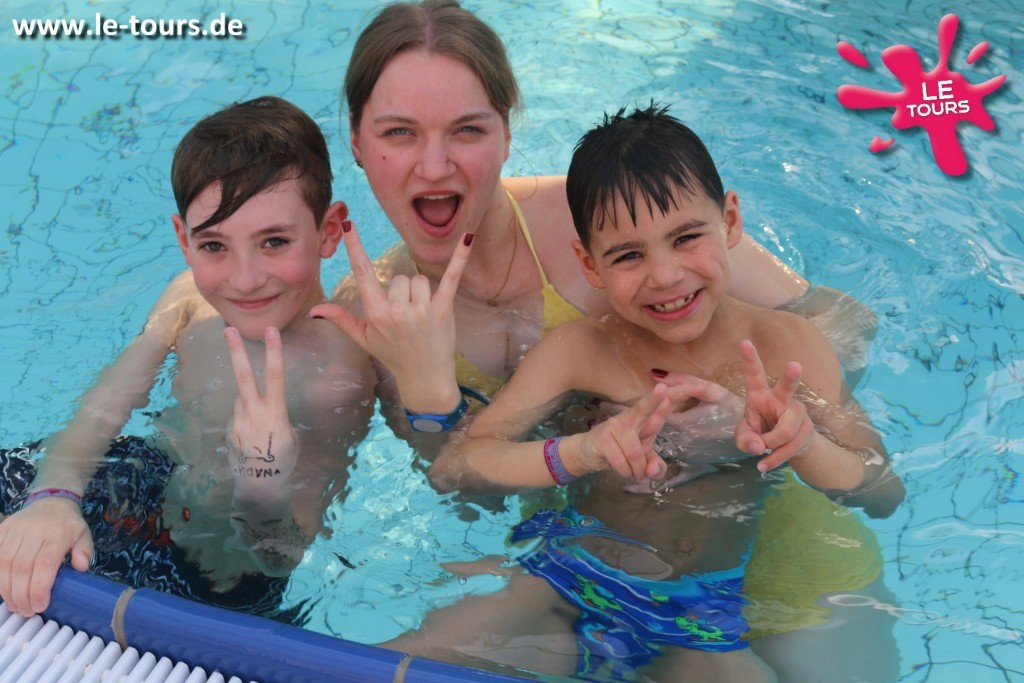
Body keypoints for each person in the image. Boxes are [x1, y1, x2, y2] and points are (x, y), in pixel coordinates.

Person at [402, 104, 904, 681]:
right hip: (566, 584)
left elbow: (882, 490)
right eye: (628, 255)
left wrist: (801, 442)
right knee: (391, 666)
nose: (664, 275)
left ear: (730, 221)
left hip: (700, 615)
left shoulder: (789, 346)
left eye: (686, 237)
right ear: (590, 265)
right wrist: (581, 451)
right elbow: (457, 466)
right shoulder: (581, 350)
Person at [0, 96, 374, 619]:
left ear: (328, 231)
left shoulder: (338, 373)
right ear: (184, 239)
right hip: (144, 481)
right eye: (215, 246)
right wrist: (53, 498)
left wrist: (262, 482)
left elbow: (279, 558)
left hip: (215, 572)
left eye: (274, 241)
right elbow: (102, 411)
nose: (245, 279)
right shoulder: (189, 299)